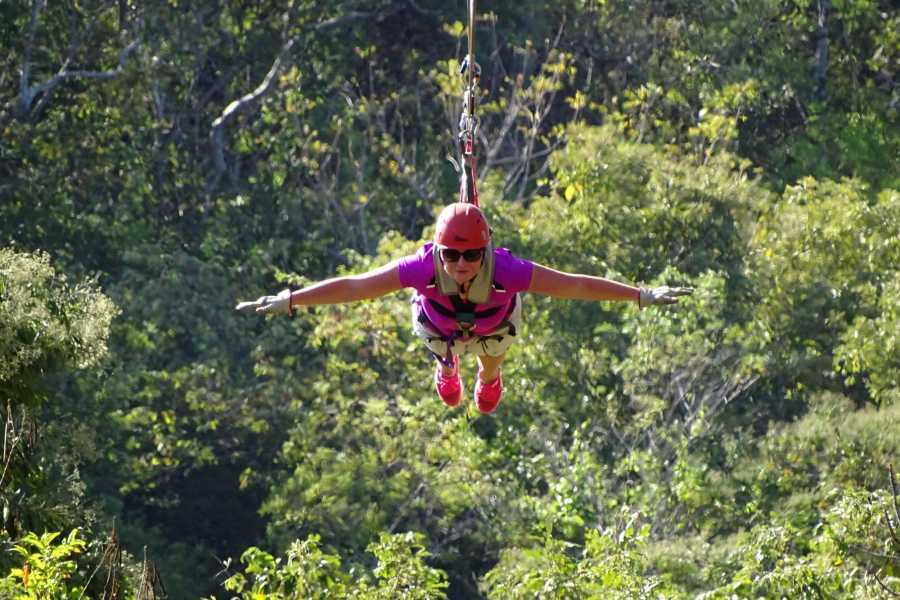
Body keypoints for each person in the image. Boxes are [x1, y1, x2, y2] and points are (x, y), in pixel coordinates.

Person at [236, 203, 692, 414]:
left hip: (494, 324)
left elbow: (572, 285)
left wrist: (640, 294)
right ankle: (446, 367)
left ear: (485, 251)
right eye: (451, 256)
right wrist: (292, 300)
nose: (460, 265)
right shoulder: (422, 267)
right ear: (438, 252)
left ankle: (488, 377)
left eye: (471, 256)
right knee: (441, 343)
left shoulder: (506, 270)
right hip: (439, 327)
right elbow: (358, 286)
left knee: (493, 355)